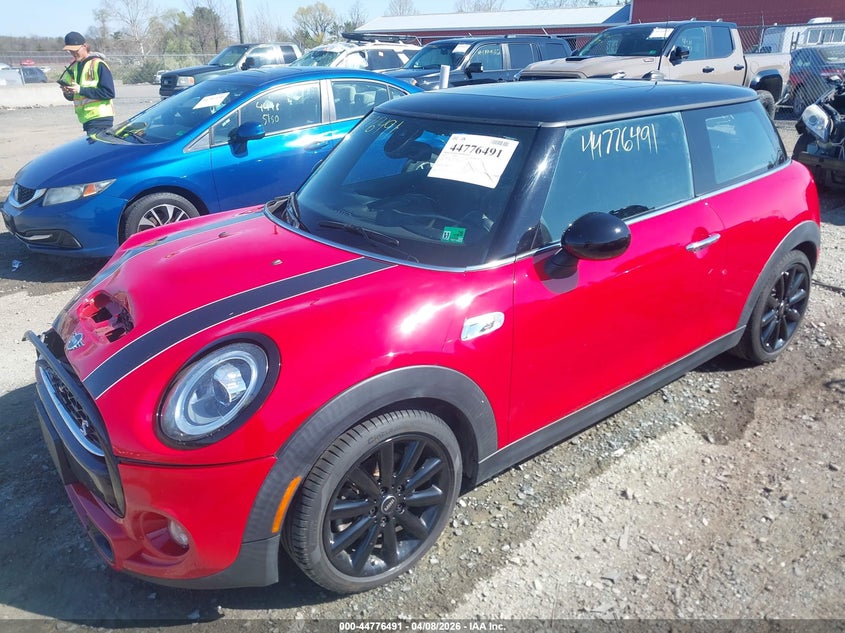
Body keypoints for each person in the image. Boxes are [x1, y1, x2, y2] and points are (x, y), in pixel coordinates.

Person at [59, 31, 115, 135]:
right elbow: (75, 96)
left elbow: (109, 93)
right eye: (70, 51)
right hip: (87, 119)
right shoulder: (74, 67)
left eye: (75, 50)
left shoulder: (98, 64)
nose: (73, 53)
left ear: (84, 46)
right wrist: (68, 92)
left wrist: (81, 90)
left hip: (101, 118)